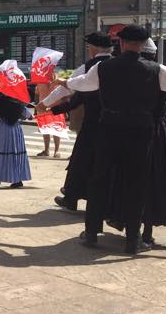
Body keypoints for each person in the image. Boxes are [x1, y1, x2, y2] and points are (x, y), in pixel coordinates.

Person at [55, 24, 166, 253]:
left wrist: (64, 82)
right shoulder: (156, 70)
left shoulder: (104, 68)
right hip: (141, 130)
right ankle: (132, 238)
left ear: (121, 42)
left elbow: (82, 84)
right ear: (142, 45)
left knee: (100, 178)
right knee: (136, 181)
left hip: (110, 127)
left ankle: (91, 233)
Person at [42, 31, 114, 212]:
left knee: (81, 160)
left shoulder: (89, 67)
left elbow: (68, 88)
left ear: (94, 48)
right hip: (114, 124)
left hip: (92, 123)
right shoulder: (116, 65)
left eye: (89, 46)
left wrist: (45, 104)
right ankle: (105, 202)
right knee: (107, 162)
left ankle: (72, 197)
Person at [34, 81, 61, 158]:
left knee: (56, 130)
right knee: (45, 130)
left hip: (55, 108)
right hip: (43, 109)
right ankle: (47, 150)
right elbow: (37, 95)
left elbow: (61, 95)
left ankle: (56, 151)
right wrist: (36, 110)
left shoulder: (57, 82)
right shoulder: (40, 82)